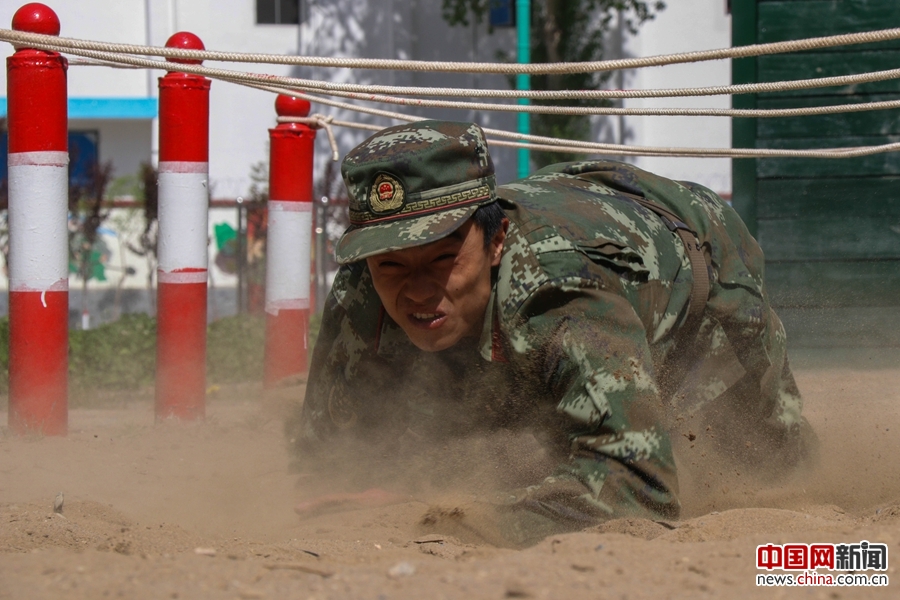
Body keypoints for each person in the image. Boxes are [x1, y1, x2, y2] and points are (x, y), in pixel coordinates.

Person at [286, 120, 815, 546]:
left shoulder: (561, 296)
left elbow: (641, 484)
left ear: (495, 244)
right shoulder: (362, 282)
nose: (418, 291)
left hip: (698, 257)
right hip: (569, 205)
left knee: (773, 458)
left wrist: (472, 518)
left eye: (444, 258)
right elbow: (325, 460)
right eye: (393, 266)